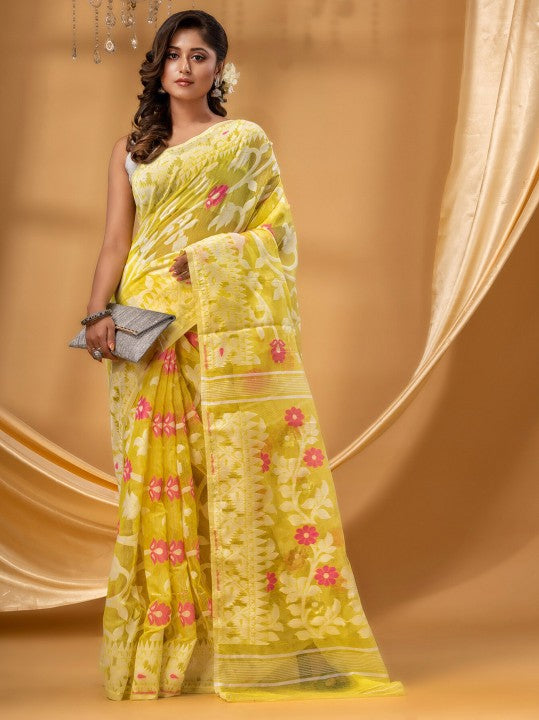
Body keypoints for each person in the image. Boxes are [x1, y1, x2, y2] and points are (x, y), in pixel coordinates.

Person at [83, 8, 405, 703]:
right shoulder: (131, 151)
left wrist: (210, 257)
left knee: (233, 476)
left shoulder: (244, 142)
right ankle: (177, 647)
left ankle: (265, 645)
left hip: (216, 324)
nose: (185, 67)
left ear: (219, 68)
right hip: (144, 331)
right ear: (158, 68)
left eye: (199, 56)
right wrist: (97, 312)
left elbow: (276, 234)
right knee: (159, 486)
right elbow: (115, 241)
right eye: (174, 55)